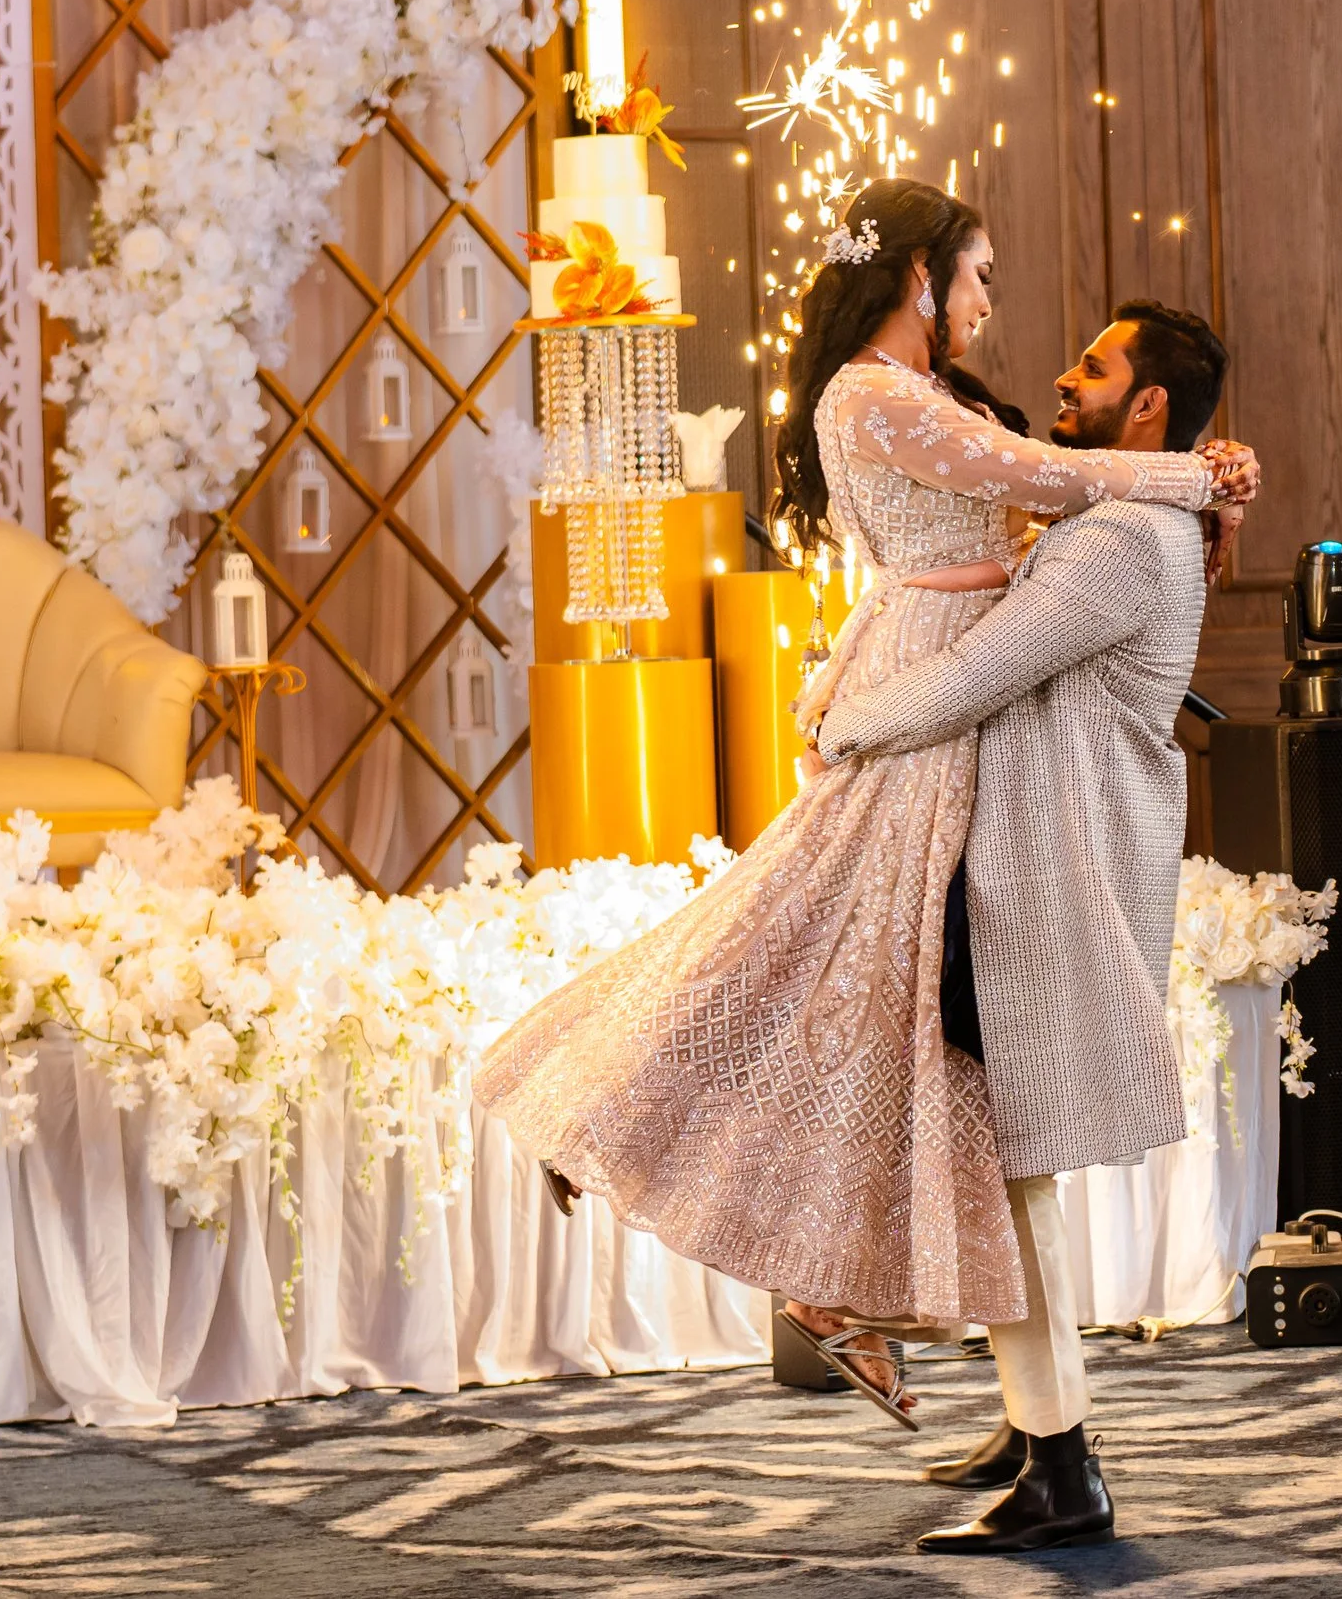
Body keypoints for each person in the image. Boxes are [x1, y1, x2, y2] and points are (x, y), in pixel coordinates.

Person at [473, 178, 1257, 1436]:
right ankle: (603, 1106)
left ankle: (857, 1303)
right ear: (917, 276)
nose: (993, 304)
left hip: (944, 684)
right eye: (979, 274)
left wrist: (1198, 480)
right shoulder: (873, 394)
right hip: (925, 681)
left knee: (852, 979)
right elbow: (1037, 474)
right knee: (801, 936)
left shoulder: (927, 396)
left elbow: (1035, 500)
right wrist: (1199, 477)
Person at [812, 300, 1236, 1555]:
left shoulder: (1121, 542)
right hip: (1025, 872)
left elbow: (972, 675)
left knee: (1014, 1172)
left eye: (1094, 367)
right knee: (1004, 1164)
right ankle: (1031, 1421)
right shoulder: (1120, 517)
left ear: (1147, 405)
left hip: (1047, 883)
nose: (1063, 375)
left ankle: (1061, 1468)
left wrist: (840, 725)